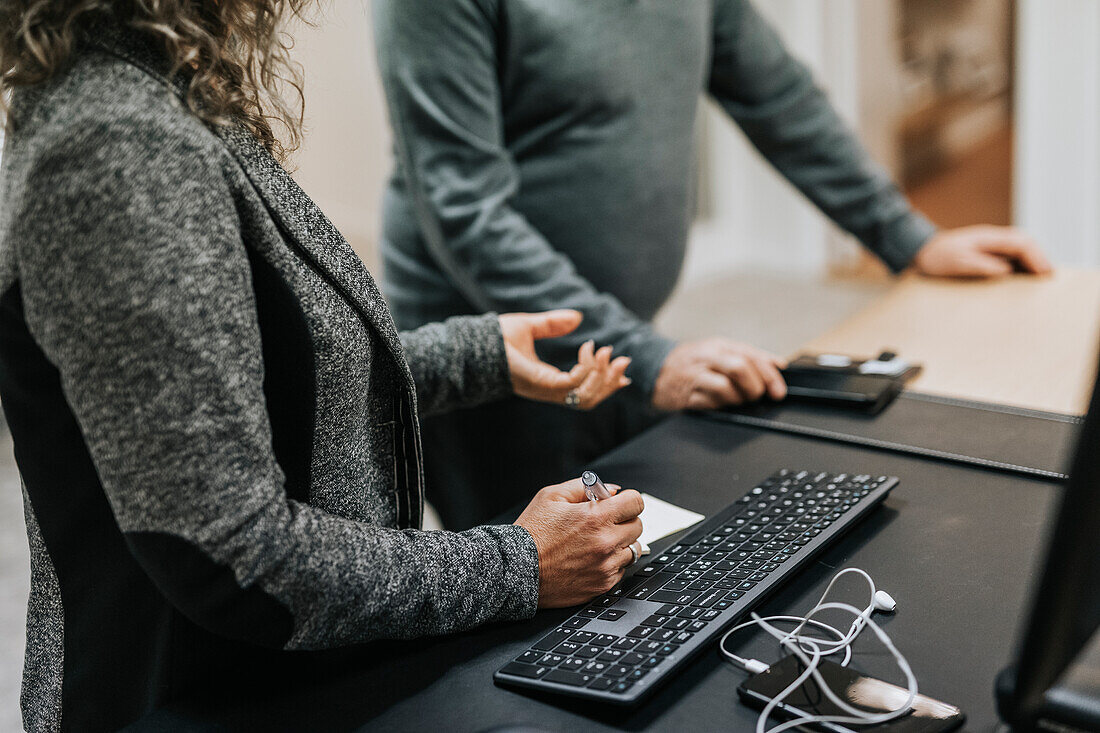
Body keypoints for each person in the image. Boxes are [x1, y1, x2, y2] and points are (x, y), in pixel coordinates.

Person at [0, 5, 644, 731]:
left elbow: (259, 378)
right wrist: (519, 563)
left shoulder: (157, 94)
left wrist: (475, 355)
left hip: (285, 672)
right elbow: (235, 556)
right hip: (197, 697)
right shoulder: (117, 144)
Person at [372, 0, 1054, 531]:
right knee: (545, 606)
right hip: (493, 353)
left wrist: (909, 238)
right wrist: (649, 357)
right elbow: (463, 208)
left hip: (623, 330)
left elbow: (778, 97)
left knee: (650, 554)